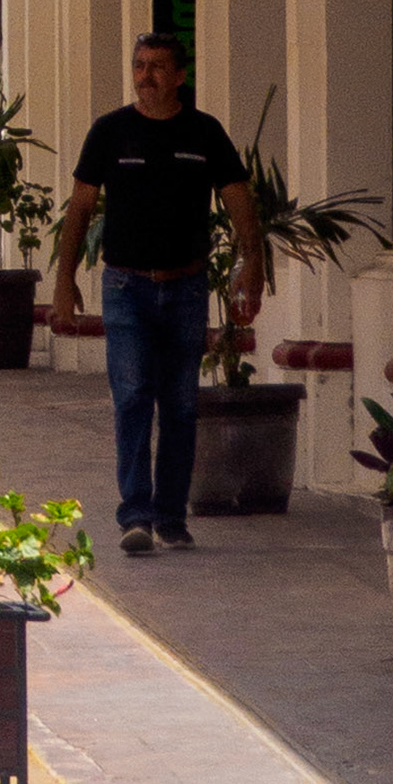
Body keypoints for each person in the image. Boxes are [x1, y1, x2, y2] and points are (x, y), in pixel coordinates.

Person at [46, 30, 264, 556]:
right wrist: (63, 280)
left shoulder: (205, 133)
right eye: (140, 66)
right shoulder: (110, 132)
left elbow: (240, 204)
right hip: (126, 289)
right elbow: (79, 209)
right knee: (133, 399)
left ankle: (171, 516)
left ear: (181, 75)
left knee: (182, 406)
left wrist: (251, 264)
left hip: (186, 287)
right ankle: (136, 515)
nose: (147, 76)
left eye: (159, 66)